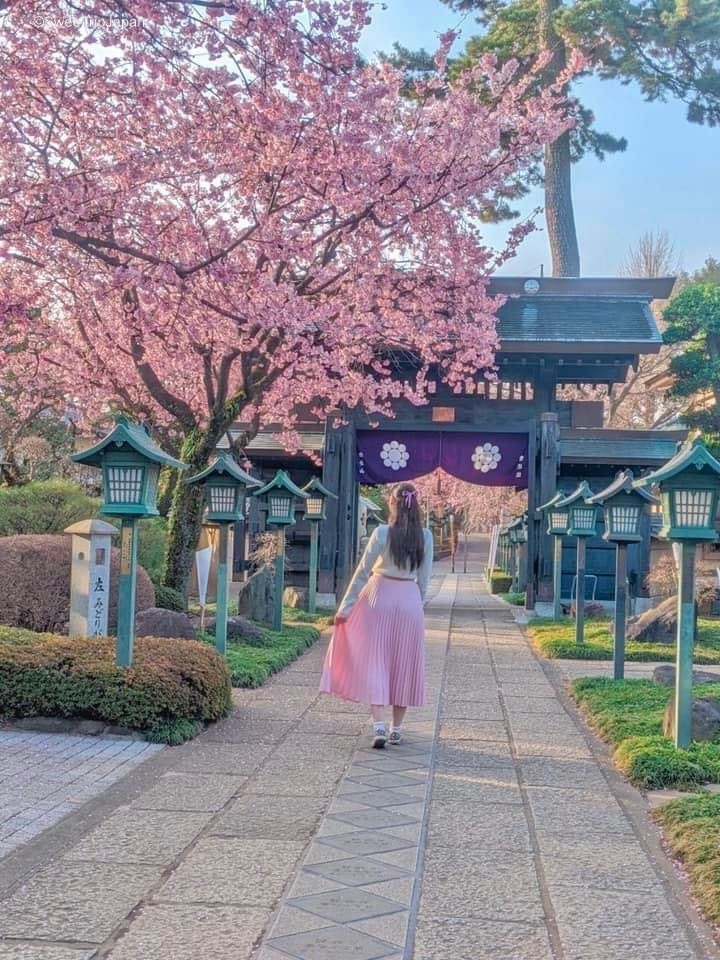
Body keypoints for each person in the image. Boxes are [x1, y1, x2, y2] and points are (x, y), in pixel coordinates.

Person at [319, 482, 434, 749]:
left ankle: (379, 725)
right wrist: (418, 606)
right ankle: (397, 729)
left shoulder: (382, 533)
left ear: (392, 503)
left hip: (378, 596)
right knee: (403, 665)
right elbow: (424, 580)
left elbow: (362, 572)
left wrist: (345, 608)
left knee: (376, 661)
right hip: (409, 600)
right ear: (416, 505)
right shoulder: (426, 537)